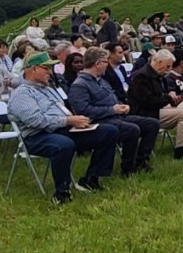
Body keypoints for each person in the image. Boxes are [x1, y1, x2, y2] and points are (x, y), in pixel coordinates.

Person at [7, 53, 120, 203]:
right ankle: (62, 192)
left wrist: (78, 120)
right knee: (64, 144)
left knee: (108, 131)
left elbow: (62, 110)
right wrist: (67, 121)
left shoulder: (47, 89)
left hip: (62, 129)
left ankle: (91, 178)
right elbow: (36, 121)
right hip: (36, 136)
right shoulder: (22, 94)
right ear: (32, 69)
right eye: (46, 68)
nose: (50, 72)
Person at [67, 49, 159, 176]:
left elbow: (112, 100)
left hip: (116, 117)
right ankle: (128, 168)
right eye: (105, 62)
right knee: (132, 129)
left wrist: (121, 106)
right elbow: (84, 111)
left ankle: (141, 162)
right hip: (100, 122)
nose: (108, 65)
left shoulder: (101, 81)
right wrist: (112, 110)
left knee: (151, 124)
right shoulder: (80, 85)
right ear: (98, 64)